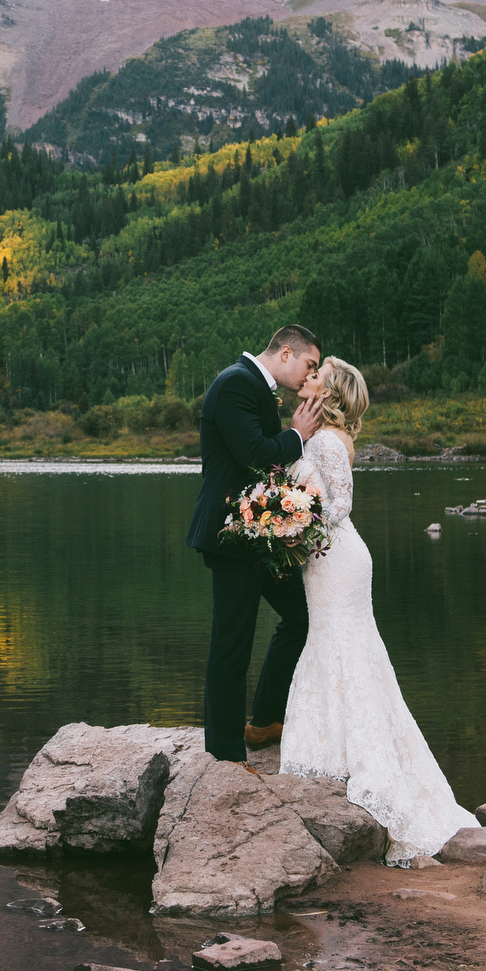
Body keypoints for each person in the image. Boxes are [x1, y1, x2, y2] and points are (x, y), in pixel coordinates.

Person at [278, 356, 478, 864]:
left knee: (340, 644)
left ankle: (350, 759)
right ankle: (338, 751)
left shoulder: (325, 442)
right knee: (339, 644)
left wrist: (291, 514)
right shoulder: (324, 437)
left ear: (331, 393)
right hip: (329, 555)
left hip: (335, 555)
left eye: (318, 373)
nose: (310, 376)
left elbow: (339, 506)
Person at [187, 325, 323, 765]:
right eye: (309, 365)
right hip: (231, 537)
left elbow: (263, 467)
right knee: (232, 645)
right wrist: (298, 434)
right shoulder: (235, 383)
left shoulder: (253, 386)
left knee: (302, 615)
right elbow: (255, 453)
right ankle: (225, 756)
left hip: (256, 537)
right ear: (286, 352)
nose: (308, 376)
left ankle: (264, 720)